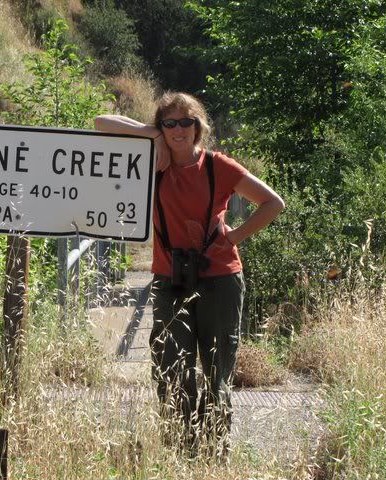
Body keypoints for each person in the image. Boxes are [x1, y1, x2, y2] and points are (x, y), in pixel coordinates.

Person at [95, 92, 284, 458]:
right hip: (170, 279)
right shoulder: (155, 162)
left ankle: (214, 455)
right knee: (171, 370)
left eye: (186, 122)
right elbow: (101, 123)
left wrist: (232, 237)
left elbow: (272, 203)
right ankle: (180, 453)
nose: (179, 129)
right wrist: (151, 135)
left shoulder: (218, 166)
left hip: (220, 279)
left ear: (199, 126)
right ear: (160, 127)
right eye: (170, 123)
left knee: (217, 372)